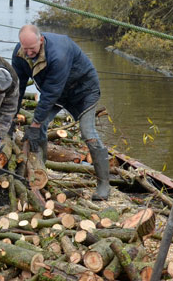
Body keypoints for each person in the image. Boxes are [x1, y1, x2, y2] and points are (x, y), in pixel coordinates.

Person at [11, 24, 110, 200]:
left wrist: (35, 124)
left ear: (41, 40)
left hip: (83, 91)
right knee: (40, 127)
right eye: (25, 48)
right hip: (58, 93)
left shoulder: (58, 54)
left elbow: (50, 93)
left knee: (88, 132)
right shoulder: (20, 54)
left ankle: (104, 184)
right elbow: (17, 88)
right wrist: (11, 117)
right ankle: (40, 172)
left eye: (32, 48)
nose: (29, 53)